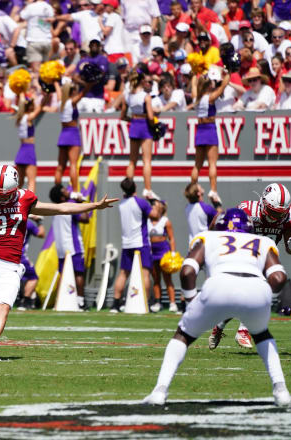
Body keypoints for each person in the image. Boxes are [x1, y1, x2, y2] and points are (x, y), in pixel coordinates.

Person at [0, 165, 118, 361]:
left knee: (3, 309)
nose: (0, 198)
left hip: (10, 267)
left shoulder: (25, 199)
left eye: (4, 194)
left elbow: (61, 208)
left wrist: (93, 205)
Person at [143, 208, 291, 407]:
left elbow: (187, 271)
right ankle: (281, 391)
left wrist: (190, 302)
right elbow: (279, 277)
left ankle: (160, 391)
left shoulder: (207, 238)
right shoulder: (264, 242)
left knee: (183, 335)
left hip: (218, 286)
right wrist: (265, 298)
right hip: (257, 288)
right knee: (262, 335)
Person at [209, 183, 291, 350]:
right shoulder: (248, 210)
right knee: (240, 297)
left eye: (280, 213)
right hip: (244, 256)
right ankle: (220, 326)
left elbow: (289, 240)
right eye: (273, 212)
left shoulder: (290, 217)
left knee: (259, 295)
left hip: (267, 257)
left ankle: (241, 330)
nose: (276, 217)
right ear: (263, 203)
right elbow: (223, 221)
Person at [111, 178, 154, 313]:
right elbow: (155, 215)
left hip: (127, 243)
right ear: (135, 186)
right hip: (141, 243)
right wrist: (153, 201)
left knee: (123, 273)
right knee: (145, 273)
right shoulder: (141, 202)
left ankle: (115, 304)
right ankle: (145, 303)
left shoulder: (121, 203)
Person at [120, 69, 160, 200]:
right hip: (144, 126)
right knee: (146, 161)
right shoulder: (145, 96)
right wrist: (155, 125)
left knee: (132, 161)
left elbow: (123, 116)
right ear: (142, 80)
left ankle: (128, 189)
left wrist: (132, 120)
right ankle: (147, 189)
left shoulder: (127, 95)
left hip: (134, 125)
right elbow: (150, 116)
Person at [190, 67, 228, 205]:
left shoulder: (196, 97)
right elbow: (224, 85)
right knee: (212, 163)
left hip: (199, 129)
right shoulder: (210, 98)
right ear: (208, 85)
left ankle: (193, 186)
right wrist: (227, 72)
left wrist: (195, 73)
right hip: (210, 128)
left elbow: (194, 83)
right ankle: (213, 190)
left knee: (197, 165)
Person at [55, 80, 90, 193]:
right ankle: (75, 191)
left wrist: (55, 81)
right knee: (73, 164)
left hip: (63, 133)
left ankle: (57, 190)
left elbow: (59, 91)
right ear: (71, 91)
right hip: (72, 133)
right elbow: (83, 93)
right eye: (74, 90)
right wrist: (90, 83)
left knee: (60, 166)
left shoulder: (60, 102)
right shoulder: (71, 102)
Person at [14, 92, 48, 193]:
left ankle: (13, 203)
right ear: (29, 106)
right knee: (31, 181)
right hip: (29, 150)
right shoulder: (28, 117)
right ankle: (31, 204)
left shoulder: (19, 118)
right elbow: (40, 107)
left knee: (19, 182)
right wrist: (47, 95)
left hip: (21, 150)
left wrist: (22, 92)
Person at [148, 200, 177, 313]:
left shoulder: (165, 221)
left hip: (164, 251)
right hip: (152, 251)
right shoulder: (147, 221)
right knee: (155, 278)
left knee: (167, 278)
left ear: (160, 208)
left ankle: (172, 303)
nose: (151, 208)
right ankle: (157, 302)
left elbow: (172, 238)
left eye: (154, 207)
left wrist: (173, 253)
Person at [17, 214, 46, 311]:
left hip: (3, 255)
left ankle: (22, 299)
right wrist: (39, 222)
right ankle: (25, 301)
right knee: (33, 277)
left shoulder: (8, 221)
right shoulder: (28, 224)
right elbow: (41, 234)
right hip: (20, 256)